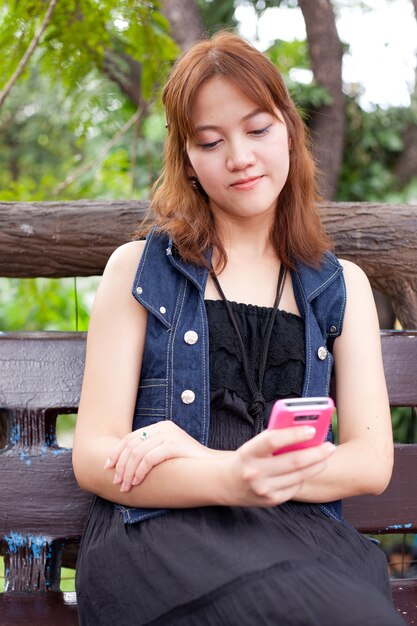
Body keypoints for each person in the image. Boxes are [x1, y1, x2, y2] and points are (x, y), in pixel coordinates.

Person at [73, 30, 405, 626]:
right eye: (211, 141)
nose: (240, 157)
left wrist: (227, 466)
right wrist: (226, 476)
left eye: (257, 130)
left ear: (289, 130)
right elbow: (96, 456)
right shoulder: (140, 270)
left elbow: (369, 461)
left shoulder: (339, 285)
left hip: (302, 538)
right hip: (163, 537)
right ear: (189, 160)